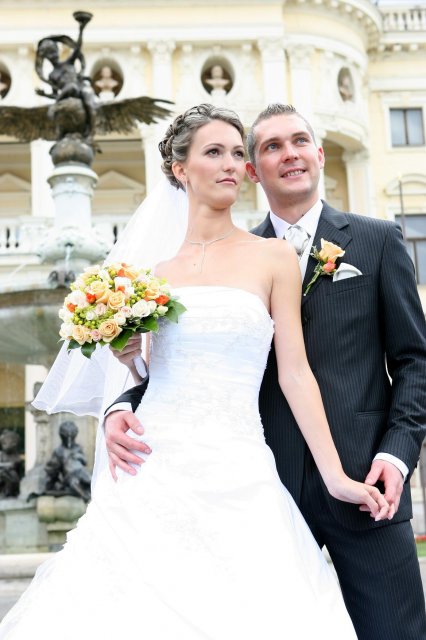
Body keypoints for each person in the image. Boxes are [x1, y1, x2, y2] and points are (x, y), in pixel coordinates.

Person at [0, 104, 389, 639]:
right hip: (150, 465)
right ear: (180, 168)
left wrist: (337, 477)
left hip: (239, 465)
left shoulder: (273, 257)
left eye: (237, 153)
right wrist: (128, 362)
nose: (232, 164)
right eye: (214, 152)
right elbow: (152, 374)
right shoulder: (151, 275)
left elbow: (295, 374)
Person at [105, 103, 426, 640]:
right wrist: (121, 404)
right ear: (254, 170)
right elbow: (187, 365)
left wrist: (395, 454)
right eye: (272, 146)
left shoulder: (377, 240)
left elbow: (415, 361)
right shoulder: (214, 259)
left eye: (299, 141)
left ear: (318, 153)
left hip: (363, 479)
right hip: (259, 484)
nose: (290, 154)